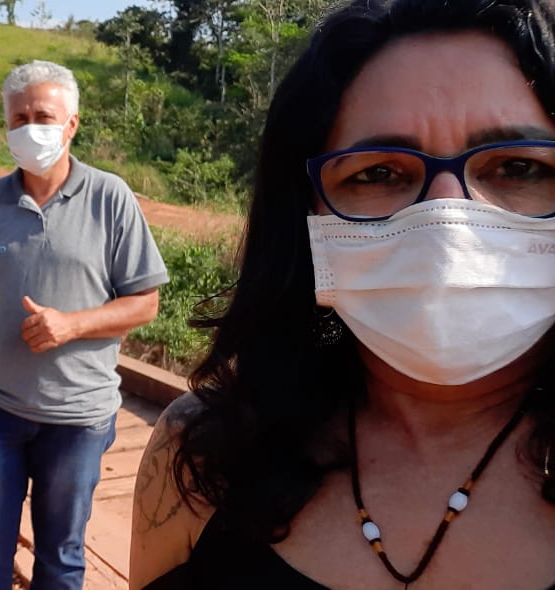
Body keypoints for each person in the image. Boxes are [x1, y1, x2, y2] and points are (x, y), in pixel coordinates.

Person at [130, 1, 555, 588]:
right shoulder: (204, 453)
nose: (447, 225)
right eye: (378, 173)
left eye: (519, 167)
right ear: (305, 215)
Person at [0, 59, 170, 589]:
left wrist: (72, 324)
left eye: (44, 115)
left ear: (72, 124)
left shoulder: (110, 199)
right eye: (18, 119)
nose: (30, 127)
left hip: (77, 420)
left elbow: (144, 303)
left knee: (60, 560)